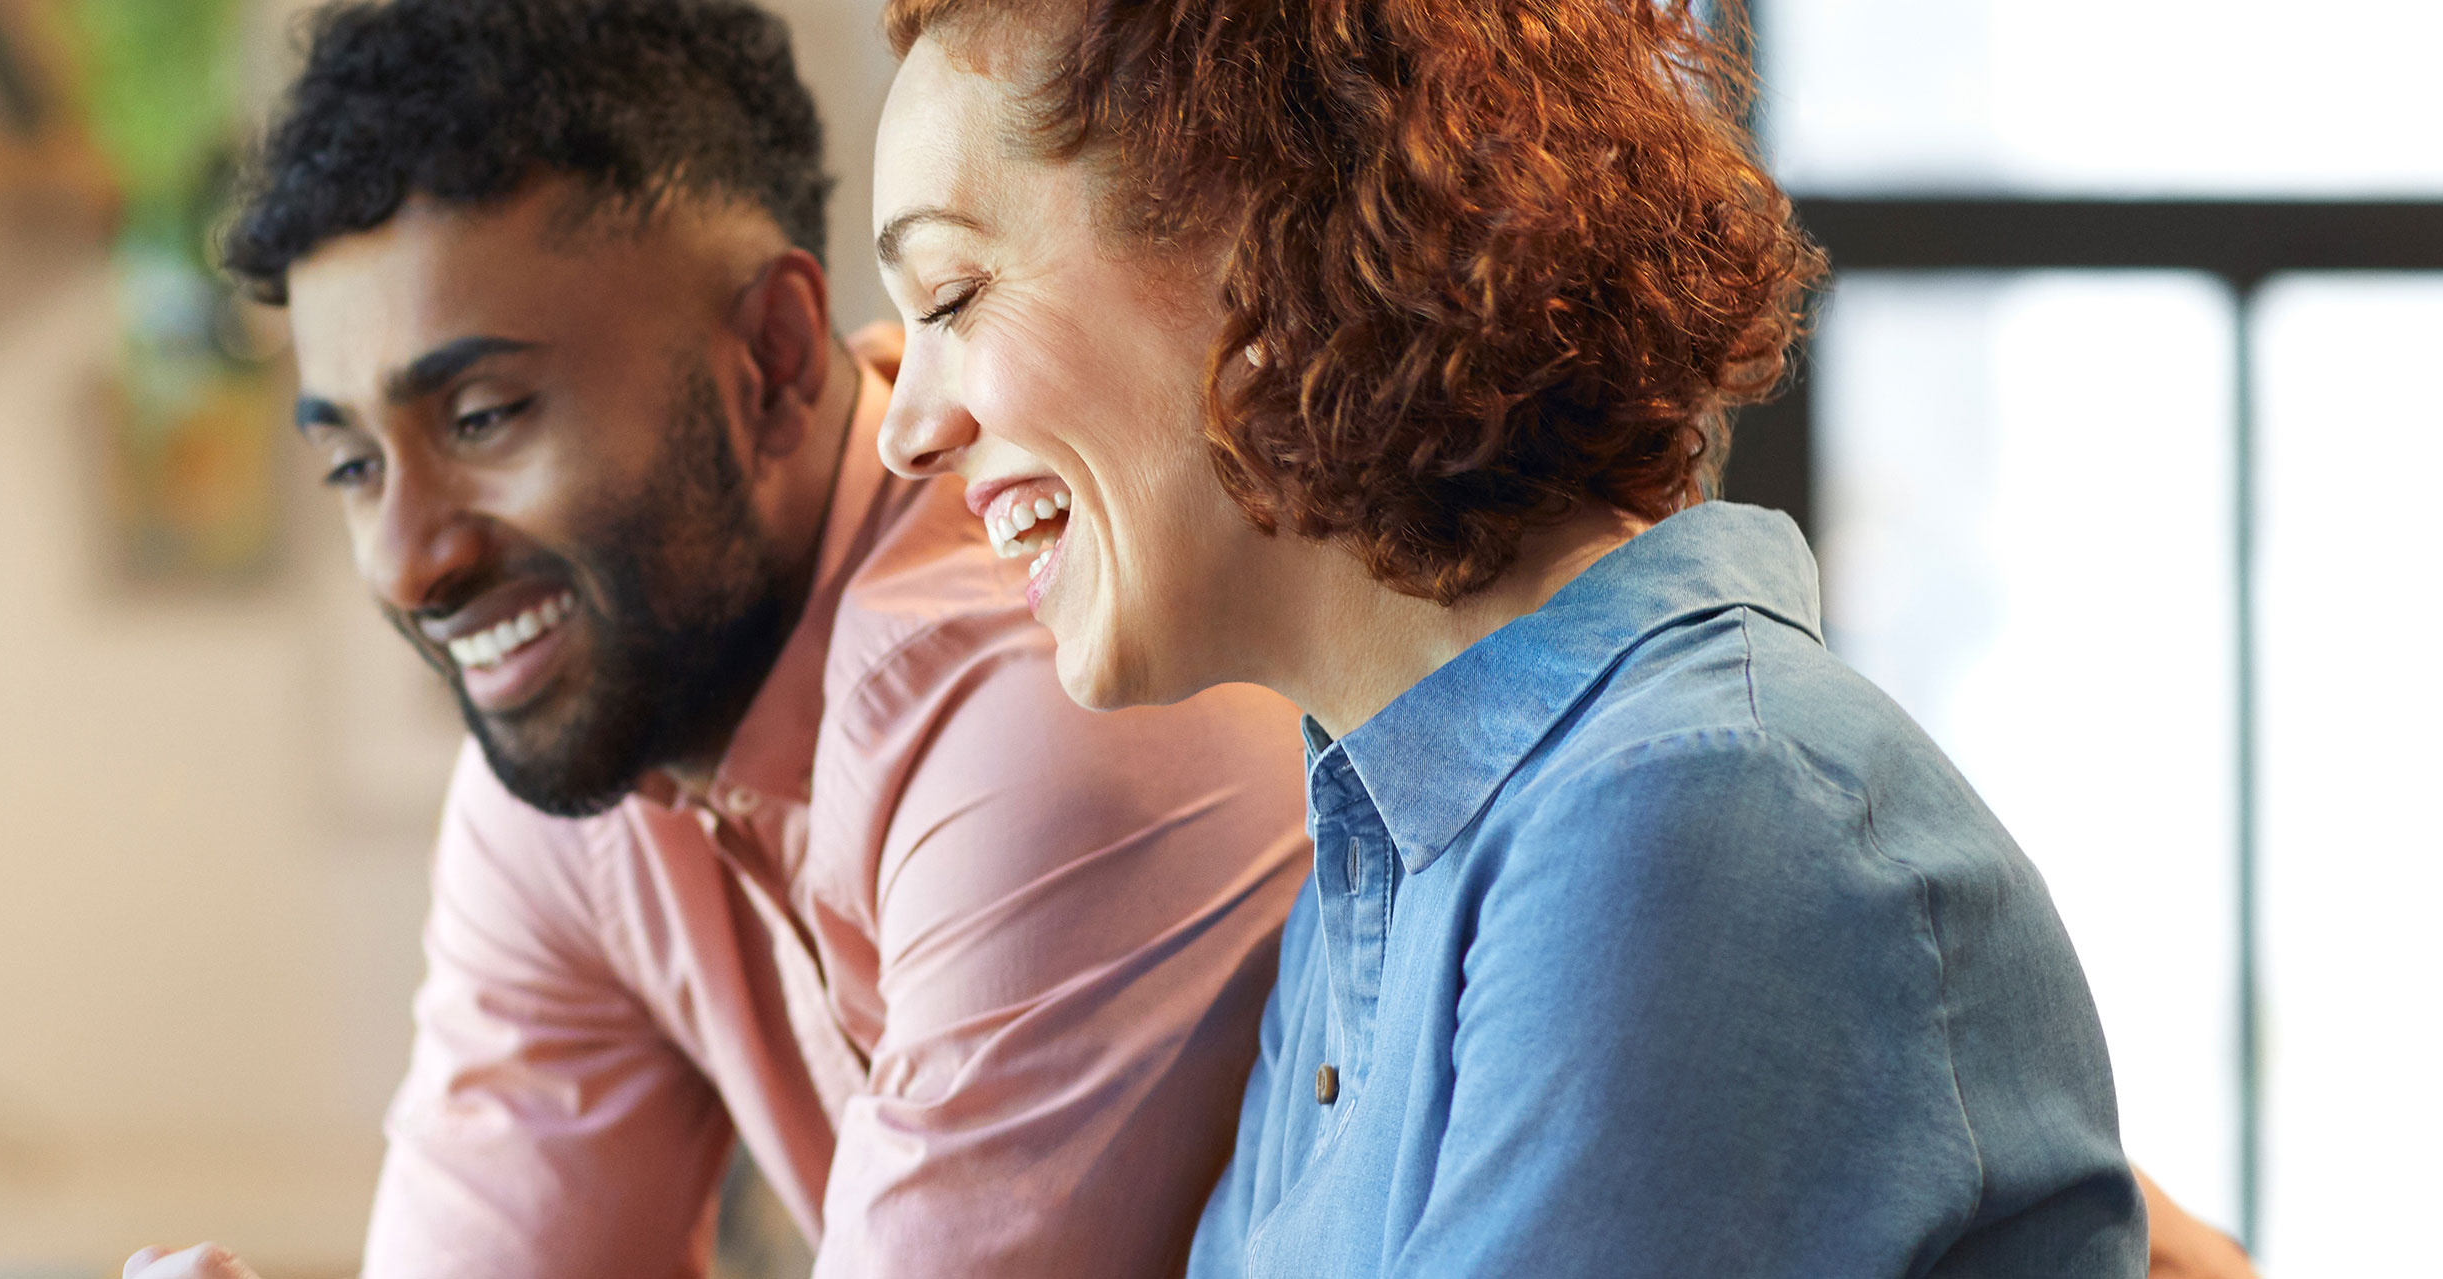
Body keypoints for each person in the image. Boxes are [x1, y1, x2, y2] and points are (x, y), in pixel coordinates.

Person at [862, 0, 2201, 1274]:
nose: (905, 426)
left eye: (955, 293)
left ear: (1258, 240)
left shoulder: (1692, 809)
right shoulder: (1397, 845)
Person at [126, 1, 1313, 1275]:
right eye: (354, 464)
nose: (410, 562)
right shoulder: (587, 760)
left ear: (773, 355)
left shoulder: (1049, 692)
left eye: (482, 417)